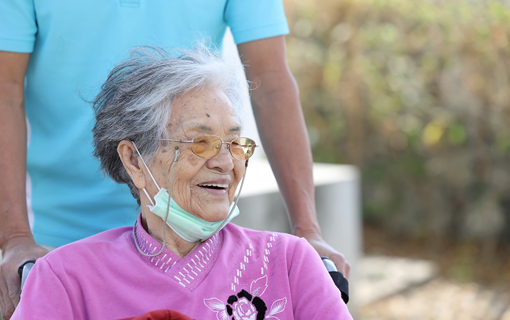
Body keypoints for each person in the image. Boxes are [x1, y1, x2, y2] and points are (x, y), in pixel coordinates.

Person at [0, 1, 350, 318]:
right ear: (132, 161)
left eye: (233, 142)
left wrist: (308, 231)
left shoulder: (289, 264)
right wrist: (15, 235)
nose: (227, 162)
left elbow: (271, 81)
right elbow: (5, 88)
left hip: (203, 228)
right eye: (202, 141)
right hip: (61, 235)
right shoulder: (58, 275)